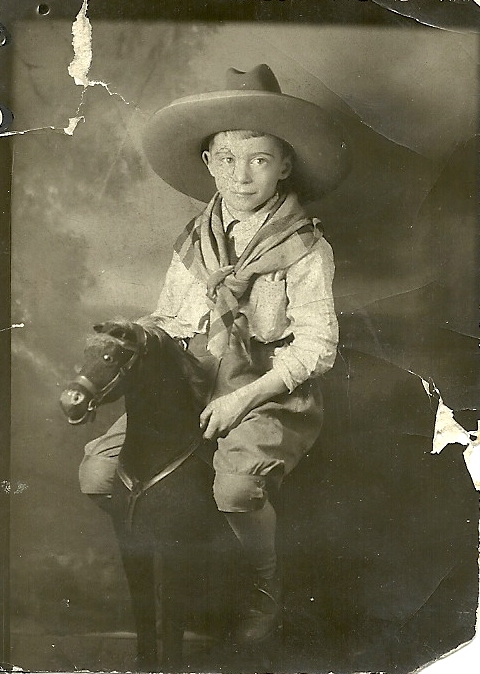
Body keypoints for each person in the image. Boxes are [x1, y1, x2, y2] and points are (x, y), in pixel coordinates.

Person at [79, 64, 349, 643]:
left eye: (258, 159)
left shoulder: (306, 248)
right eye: (226, 158)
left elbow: (317, 346)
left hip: (265, 384)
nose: (240, 175)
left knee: (235, 489)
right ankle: (187, 562)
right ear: (207, 163)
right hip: (194, 375)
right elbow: (168, 319)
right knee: (100, 474)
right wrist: (130, 342)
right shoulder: (196, 241)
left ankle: (262, 587)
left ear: (284, 165)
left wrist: (241, 400)